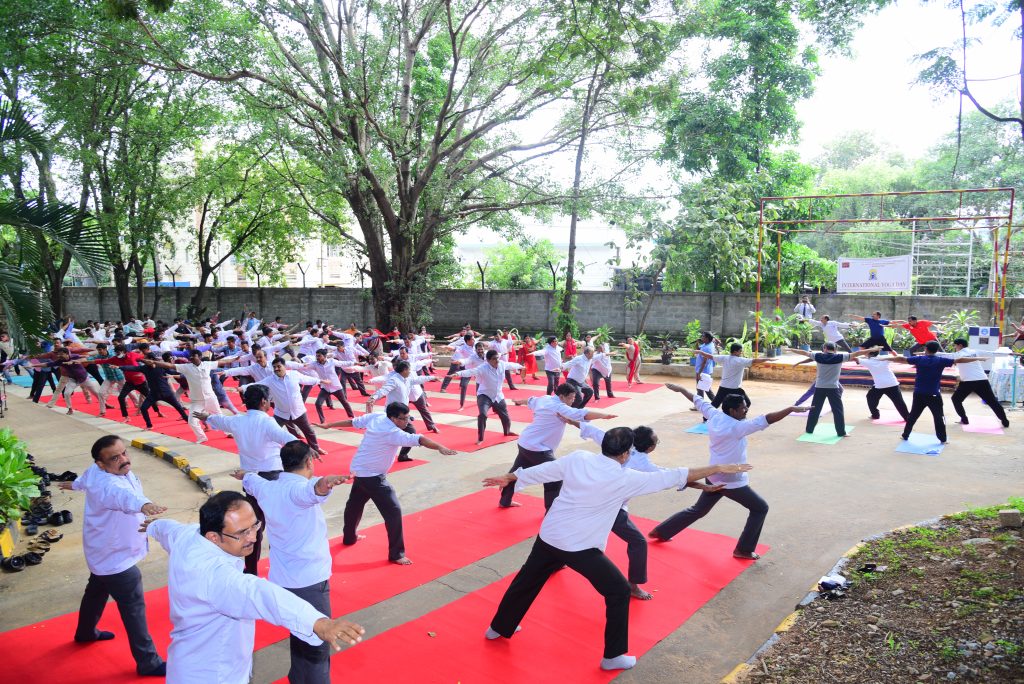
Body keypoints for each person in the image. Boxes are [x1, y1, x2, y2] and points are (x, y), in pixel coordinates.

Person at [481, 426, 752, 671]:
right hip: (579, 546)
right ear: (625, 454)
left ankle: (498, 627)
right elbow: (676, 475)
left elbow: (543, 471)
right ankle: (613, 656)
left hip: (551, 536)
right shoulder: (627, 478)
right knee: (620, 591)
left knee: (527, 579)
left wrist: (510, 476)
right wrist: (718, 466)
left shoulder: (579, 458)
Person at [144, 492, 365, 683]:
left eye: (255, 526)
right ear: (213, 537)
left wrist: (152, 526)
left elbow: (167, 529)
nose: (254, 537)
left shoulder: (190, 535)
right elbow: (258, 593)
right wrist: (317, 622)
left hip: (192, 661)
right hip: (214, 673)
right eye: (242, 533)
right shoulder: (215, 576)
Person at [563, 418, 724, 600]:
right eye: (656, 442)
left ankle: (556, 560)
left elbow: (591, 429)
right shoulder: (645, 466)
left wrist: (570, 419)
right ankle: (633, 585)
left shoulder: (616, 442)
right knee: (638, 542)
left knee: (570, 534)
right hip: (611, 508)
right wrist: (705, 487)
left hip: (586, 501)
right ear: (649, 448)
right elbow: (674, 477)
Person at [235, 441, 352, 683]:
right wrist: (325, 482)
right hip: (309, 582)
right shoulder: (299, 490)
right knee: (317, 644)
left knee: (300, 631)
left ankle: (298, 678)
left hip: (282, 579)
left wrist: (243, 474)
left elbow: (250, 479)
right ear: (309, 461)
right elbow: (312, 490)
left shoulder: (266, 488)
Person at [655, 384, 807, 559]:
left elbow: (697, 400)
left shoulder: (714, 415)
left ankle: (662, 531)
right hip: (730, 480)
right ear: (733, 411)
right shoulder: (737, 428)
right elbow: (767, 419)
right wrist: (790, 409)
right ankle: (743, 549)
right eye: (743, 407)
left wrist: (681, 389)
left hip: (712, 474)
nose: (746, 409)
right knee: (760, 508)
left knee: (699, 509)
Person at [57, 436, 167, 677]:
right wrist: (144, 504)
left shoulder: (96, 472)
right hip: (115, 558)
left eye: (124, 453)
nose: (124, 460)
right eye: (115, 458)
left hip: (103, 552)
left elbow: (85, 480)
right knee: (134, 606)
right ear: (101, 463)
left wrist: (74, 485)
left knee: (96, 590)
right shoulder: (108, 484)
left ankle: (85, 633)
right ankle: (149, 662)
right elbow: (123, 497)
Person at [320, 403, 457, 564]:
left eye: (408, 417)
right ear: (393, 418)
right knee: (393, 512)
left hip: (359, 471)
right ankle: (397, 554)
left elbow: (353, 422)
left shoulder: (377, 416)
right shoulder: (391, 432)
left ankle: (349, 538)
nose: (407, 421)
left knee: (354, 506)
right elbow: (419, 439)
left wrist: (330, 424)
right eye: (403, 418)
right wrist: (439, 446)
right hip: (372, 477)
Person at [194, 384, 297, 575]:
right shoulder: (266, 422)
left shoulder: (238, 422)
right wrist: (305, 451)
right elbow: (290, 440)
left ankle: (251, 570)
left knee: (253, 528)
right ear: (264, 402)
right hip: (270, 479)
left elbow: (221, 420)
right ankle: (282, 566)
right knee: (279, 524)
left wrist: (207, 417)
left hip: (249, 480)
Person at [499, 383, 617, 509]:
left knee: (515, 473)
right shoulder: (559, 407)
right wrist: (603, 416)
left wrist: (519, 402)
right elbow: (582, 414)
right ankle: (551, 511)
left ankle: (504, 501)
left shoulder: (545, 399)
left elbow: (530, 400)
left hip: (525, 442)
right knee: (554, 476)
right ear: (561, 396)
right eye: (571, 397)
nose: (574, 400)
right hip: (538, 448)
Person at [885, 340, 981, 443]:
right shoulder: (940, 360)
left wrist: (886, 358)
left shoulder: (919, 359)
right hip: (933, 394)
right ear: (936, 350)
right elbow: (960, 360)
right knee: (938, 417)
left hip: (919, 393)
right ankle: (942, 439)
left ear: (926, 349)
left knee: (913, 415)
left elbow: (901, 359)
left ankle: (905, 435)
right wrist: (978, 358)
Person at [789, 344, 877, 437]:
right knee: (838, 411)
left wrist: (790, 349)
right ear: (835, 349)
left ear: (825, 348)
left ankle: (809, 430)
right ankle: (841, 432)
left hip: (819, 387)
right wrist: (872, 349)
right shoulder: (840, 357)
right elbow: (858, 353)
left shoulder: (818, 356)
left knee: (815, 409)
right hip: (833, 388)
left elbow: (804, 352)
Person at [250, 357, 325, 455]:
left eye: (278, 366)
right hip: (281, 413)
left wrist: (320, 381)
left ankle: (316, 448)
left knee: (309, 431)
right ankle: (264, 452)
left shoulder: (294, 375)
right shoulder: (270, 380)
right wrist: (241, 388)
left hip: (298, 412)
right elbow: (257, 384)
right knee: (271, 432)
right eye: (274, 367)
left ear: (284, 366)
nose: (276, 369)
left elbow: (307, 379)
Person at [366, 360, 440, 458]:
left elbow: (418, 379)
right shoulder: (394, 380)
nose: (410, 371)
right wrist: (373, 397)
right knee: (389, 435)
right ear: (404, 370)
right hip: (393, 415)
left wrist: (432, 377)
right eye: (409, 369)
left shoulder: (408, 379)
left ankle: (402, 455)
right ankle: (374, 452)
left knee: (410, 432)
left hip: (403, 414)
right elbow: (384, 390)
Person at [455, 349, 521, 444]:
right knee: (482, 415)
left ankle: (507, 431)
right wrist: (458, 373)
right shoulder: (483, 368)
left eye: (497, 358)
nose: (497, 360)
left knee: (505, 417)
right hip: (484, 395)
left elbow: (511, 365)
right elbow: (471, 371)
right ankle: (480, 438)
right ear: (488, 360)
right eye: (494, 359)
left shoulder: (502, 364)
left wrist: (521, 366)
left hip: (498, 395)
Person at [940, 338, 1009, 428]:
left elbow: (943, 355)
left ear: (960, 345)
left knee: (956, 399)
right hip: (982, 380)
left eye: (955, 346)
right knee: (992, 401)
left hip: (968, 382)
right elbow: (992, 353)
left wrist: (925, 354)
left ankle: (964, 419)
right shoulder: (974, 351)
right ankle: (1005, 421)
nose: (955, 347)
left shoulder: (957, 354)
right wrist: (1011, 353)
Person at [694, 343, 771, 411]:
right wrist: (768, 359)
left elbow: (709, 356)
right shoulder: (740, 360)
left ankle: (706, 417)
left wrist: (700, 352)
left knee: (715, 404)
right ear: (735, 351)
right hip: (735, 389)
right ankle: (738, 415)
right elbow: (755, 360)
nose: (741, 352)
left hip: (724, 387)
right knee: (747, 403)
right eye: (740, 351)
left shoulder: (724, 358)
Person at [302, 349, 355, 423]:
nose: (317, 357)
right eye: (316, 356)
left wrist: (355, 363)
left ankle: (352, 417)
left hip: (336, 387)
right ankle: (322, 421)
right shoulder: (315, 364)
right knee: (318, 404)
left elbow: (343, 363)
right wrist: (296, 365)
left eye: (319, 356)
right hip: (325, 388)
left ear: (324, 356)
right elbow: (304, 366)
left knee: (344, 402)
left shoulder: (332, 361)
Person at [857, 348, 911, 421]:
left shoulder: (867, 361)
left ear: (868, 353)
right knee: (899, 402)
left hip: (880, 385)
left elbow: (853, 358)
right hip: (892, 383)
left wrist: (861, 352)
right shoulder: (884, 358)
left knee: (870, 397)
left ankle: (875, 415)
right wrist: (890, 350)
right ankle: (907, 417)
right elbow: (897, 356)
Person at [693, 332, 718, 403]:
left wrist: (699, 373)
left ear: (707, 338)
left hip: (703, 371)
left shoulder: (707, 348)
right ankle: (714, 402)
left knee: (703, 389)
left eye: (703, 337)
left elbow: (705, 362)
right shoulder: (707, 344)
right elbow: (699, 349)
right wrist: (697, 343)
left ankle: (713, 402)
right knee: (704, 388)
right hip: (704, 370)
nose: (701, 338)